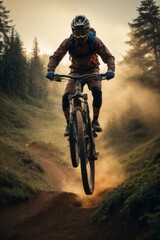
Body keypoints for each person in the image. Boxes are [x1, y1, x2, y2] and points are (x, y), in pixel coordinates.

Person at [46, 15, 115, 136]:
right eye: (77, 32)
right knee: (66, 97)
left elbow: (108, 56)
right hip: (75, 72)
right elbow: (56, 56)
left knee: (97, 91)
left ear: (88, 30)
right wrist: (50, 70)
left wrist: (111, 69)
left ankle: (95, 121)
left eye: (83, 32)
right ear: (72, 31)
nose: (80, 36)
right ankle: (69, 125)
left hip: (92, 70)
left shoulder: (94, 41)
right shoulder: (69, 42)